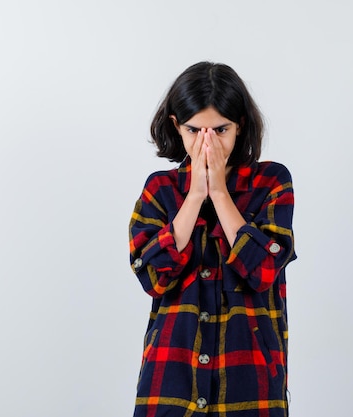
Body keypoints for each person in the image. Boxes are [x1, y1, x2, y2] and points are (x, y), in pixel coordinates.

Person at [128, 62, 297, 417]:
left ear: (240, 126)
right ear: (177, 126)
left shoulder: (271, 182)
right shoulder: (160, 189)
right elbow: (153, 277)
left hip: (250, 378)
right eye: (194, 130)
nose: (207, 142)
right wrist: (193, 197)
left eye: (220, 129)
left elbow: (264, 271)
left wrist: (219, 193)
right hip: (171, 376)